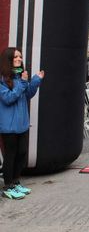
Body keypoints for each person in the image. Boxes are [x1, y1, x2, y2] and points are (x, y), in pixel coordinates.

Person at [0, 47, 44, 199]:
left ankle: (16, 182)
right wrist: (23, 83)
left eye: (20, 57)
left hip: (22, 124)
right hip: (8, 126)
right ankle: (7, 186)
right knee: (10, 156)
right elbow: (8, 98)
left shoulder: (19, 77)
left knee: (22, 154)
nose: (19, 59)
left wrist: (36, 80)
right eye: (15, 57)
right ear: (8, 60)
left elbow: (27, 95)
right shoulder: (2, 79)